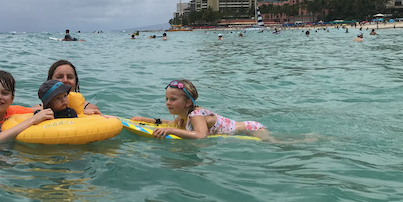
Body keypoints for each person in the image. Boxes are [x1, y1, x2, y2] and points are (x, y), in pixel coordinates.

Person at [131, 79, 271, 140]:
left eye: (173, 99)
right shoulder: (184, 115)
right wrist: (145, 120)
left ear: (187, 102)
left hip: (252, 129)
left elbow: (201, 135)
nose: (168, 103)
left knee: (274, 143)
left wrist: (171, 131)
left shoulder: (196, 115)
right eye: (167, 99)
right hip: (245, 130)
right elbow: (170, 124)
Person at [32, 60, 101, 115]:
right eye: (59, 77)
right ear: (49, 82)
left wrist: (80, 113)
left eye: (70, 77)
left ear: (76, 82)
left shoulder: (91, 109)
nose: (65, 80)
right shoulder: (36, 110)